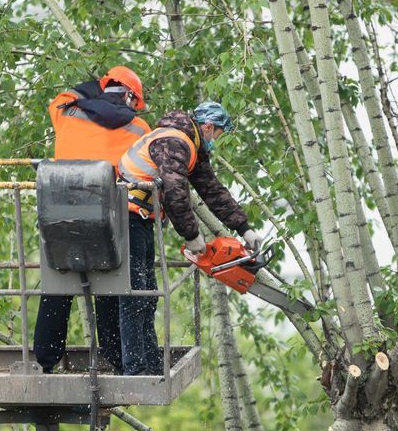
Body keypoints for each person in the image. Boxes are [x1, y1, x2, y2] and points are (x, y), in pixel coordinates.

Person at [116, 101, 261, 376]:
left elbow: (212, 190)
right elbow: (174, 191)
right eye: (218, 133)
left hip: (140, 219)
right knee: (136, 293)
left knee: (147, 294)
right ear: (208, 126)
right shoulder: (175, 142)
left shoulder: (189, 145)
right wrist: (193, 236)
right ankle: (135, 368)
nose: (217, 139)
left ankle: (148, 363)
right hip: (125, 217)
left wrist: (244, 229)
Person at [33, 66, 151, 373]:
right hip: (109, 217)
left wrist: (98, 88)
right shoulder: (140, 128)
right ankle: (114, 356)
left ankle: (45, 360)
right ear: (130, 97)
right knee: (111, 283)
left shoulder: (68, 112)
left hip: (60, 212)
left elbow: (66, 94)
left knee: (58, 285)